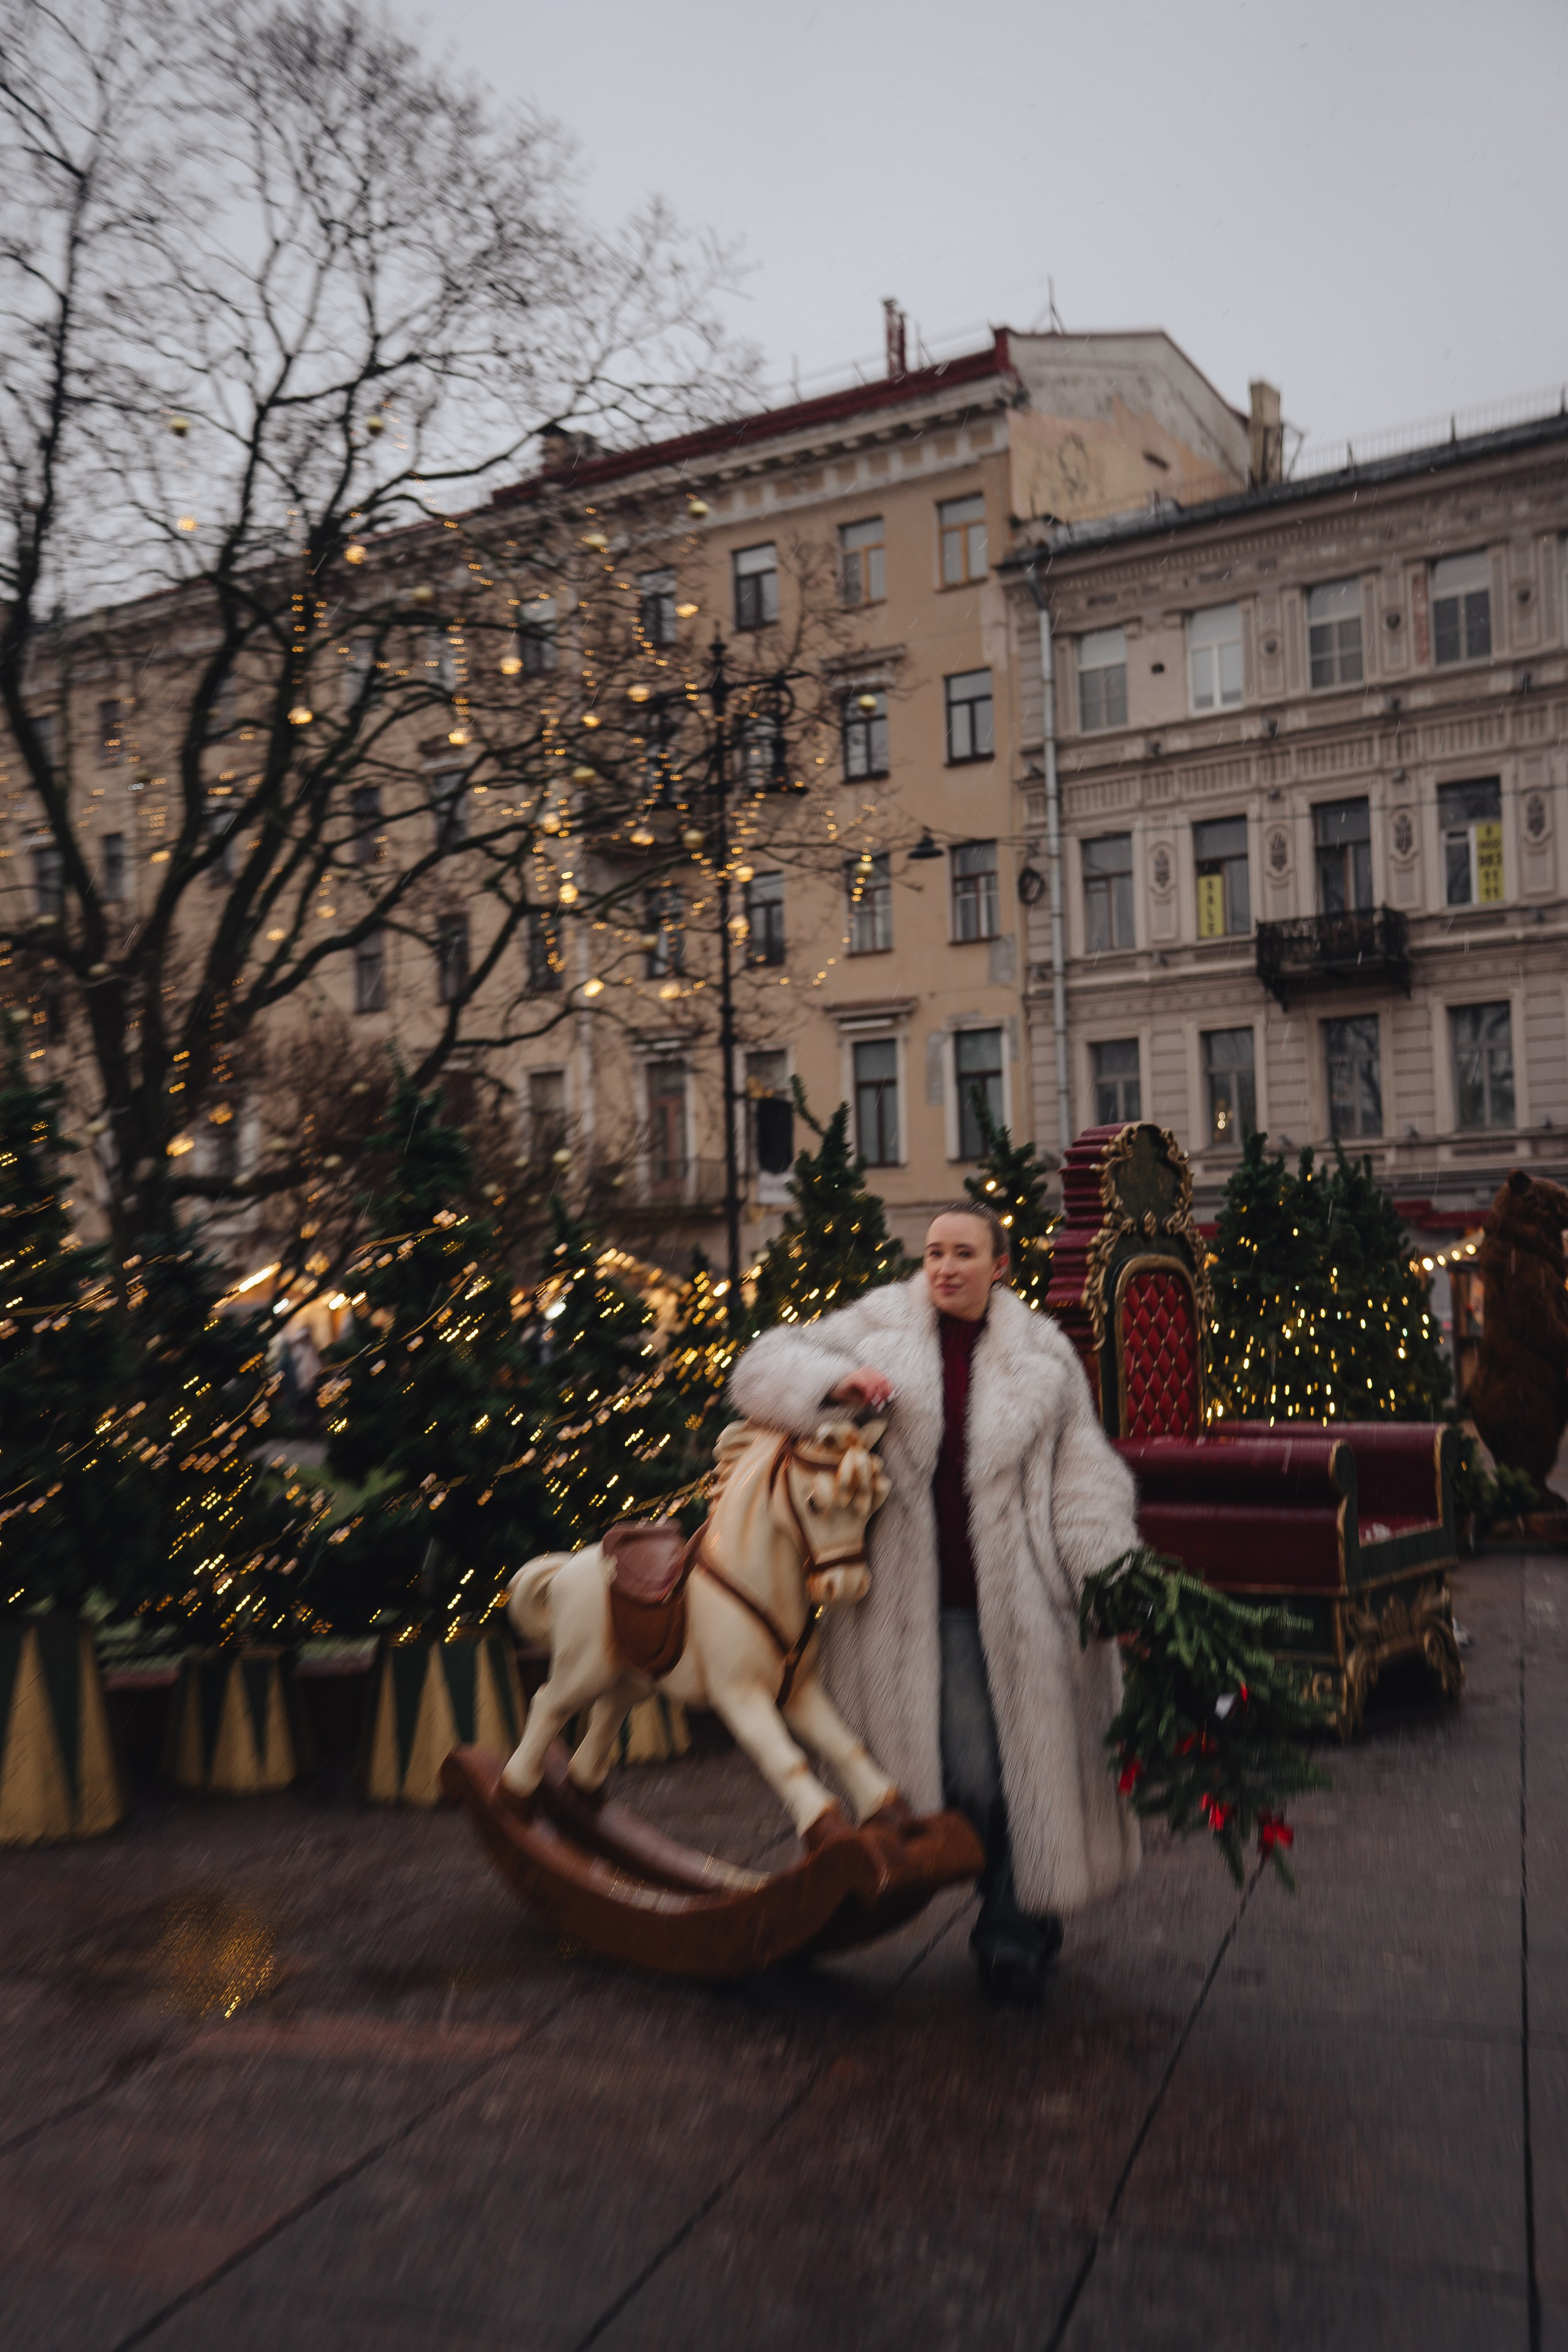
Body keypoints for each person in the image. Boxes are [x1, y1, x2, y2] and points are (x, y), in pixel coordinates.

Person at [729, 1202, 1140, 2000]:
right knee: (977, 1772)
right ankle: (1015, 1905)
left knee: (1036, 1763)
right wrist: (831, 1381)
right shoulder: (879, 1323)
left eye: (964, 1253)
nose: (945, 1267)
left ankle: (1012, 1926)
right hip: (919, 1608)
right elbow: (759, 1365)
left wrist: (1109, 1574)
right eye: (934, 1252)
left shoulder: (1045, 1359)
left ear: (1001, 1266)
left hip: (1028, 1604)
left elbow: (1084, 1479)